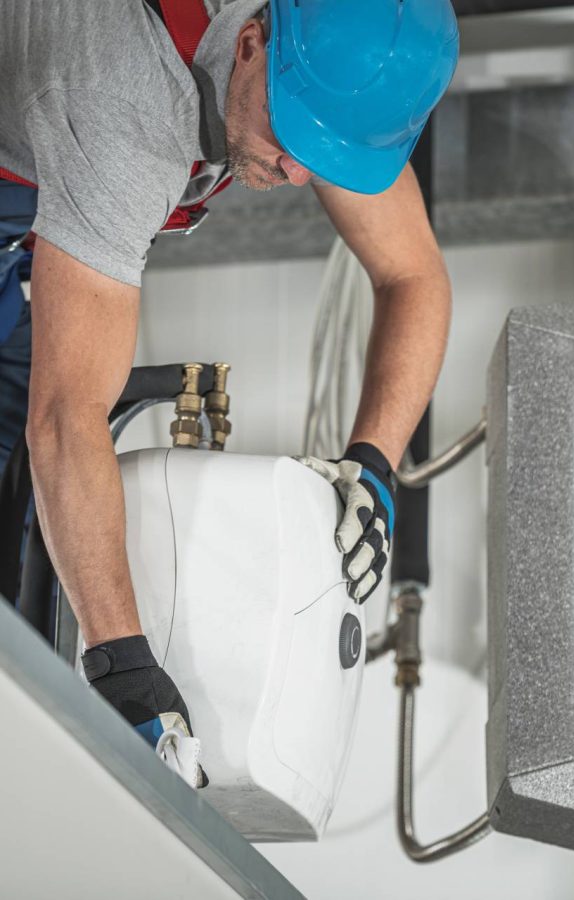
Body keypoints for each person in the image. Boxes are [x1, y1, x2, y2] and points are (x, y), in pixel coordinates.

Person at [0, 0, 458, 788]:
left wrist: (374, 470)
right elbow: (66, 418)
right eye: (297, 142)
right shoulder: (130, 92)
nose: (299, 175)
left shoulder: (328, 59)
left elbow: (414, 274)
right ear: (250, 44)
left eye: (330, 155)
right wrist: (123, 666)